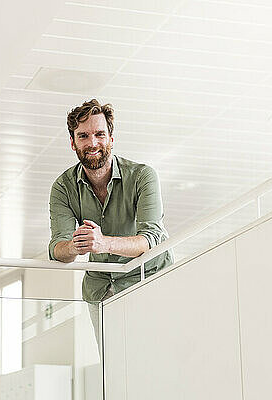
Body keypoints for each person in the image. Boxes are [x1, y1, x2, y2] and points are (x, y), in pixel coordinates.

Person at [48, 99, 173, 347]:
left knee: (155, 357)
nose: (92, 143)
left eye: (99, 134)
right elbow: (56, 249)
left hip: (148, 279)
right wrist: (77, 245)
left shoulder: (142, 176)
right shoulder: (63, 187)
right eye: (83, 136)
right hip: (101, 289)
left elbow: (152, 239)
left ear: (111, 139)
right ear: (73, 143)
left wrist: (103, 242)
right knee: (113, 368)